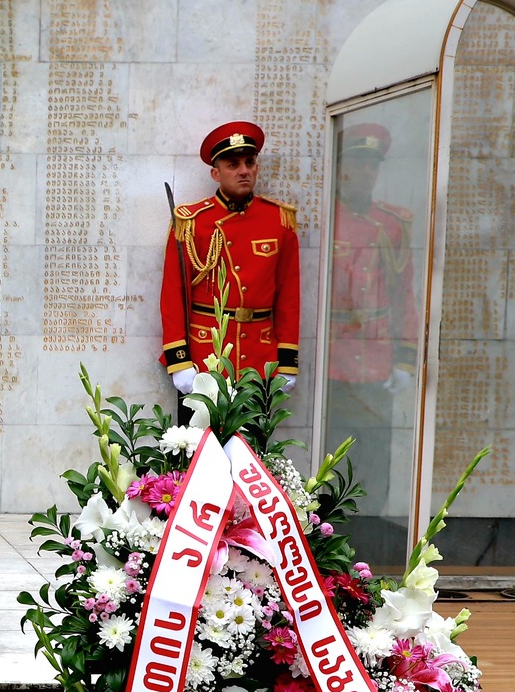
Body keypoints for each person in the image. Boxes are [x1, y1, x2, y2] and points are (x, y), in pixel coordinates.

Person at [159, 121, 301, 401]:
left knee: (256, 432)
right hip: (204, 358)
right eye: (233, 165)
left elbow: (289, 296)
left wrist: (287, 362)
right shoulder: (192, 221)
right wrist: (179, 359)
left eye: (250, 163)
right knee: (199, 431)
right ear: (216, 173)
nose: (244, 171)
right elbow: (173, 294)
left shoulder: (278, 220)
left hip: (259, 359)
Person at [324, 121, 419, 525]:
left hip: (376, 359)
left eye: (372, 165)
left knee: (376, 452)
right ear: (341, 168)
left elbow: (403, 294)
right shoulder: (327, 218)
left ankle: (371, 530)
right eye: (357, 164)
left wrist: (405, 357)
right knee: (333, 455)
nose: (365, 173)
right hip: (334, 360)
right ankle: (327, 531)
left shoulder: (391, 223)